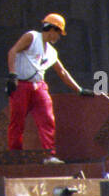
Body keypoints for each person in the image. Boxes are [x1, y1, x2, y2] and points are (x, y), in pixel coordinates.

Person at [7, 13, 89, 164]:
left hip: (39, 87)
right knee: (17, 122)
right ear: (52, 29)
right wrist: (12, 75)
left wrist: (79, 90)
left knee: (47, 119)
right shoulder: (32, 37)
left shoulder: (52, 52)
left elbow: (62, 72)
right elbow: (13, 51)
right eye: (59, 33)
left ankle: (49, 155)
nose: (59, 37)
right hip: (22, 85)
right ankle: (15, 155)